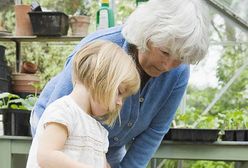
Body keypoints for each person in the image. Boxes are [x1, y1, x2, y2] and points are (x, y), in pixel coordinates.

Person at [30, 0, 210, 167]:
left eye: (180, 59)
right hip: (58, 133)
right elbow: (51, 144)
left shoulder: (178, 74)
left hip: (104, 143)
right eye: (164, 52)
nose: (168, 66)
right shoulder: (99, 50)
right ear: (147, 34)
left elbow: (154, 131)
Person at [26, 40, 140, 168]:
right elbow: (47, 157)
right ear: (100, 79)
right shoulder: (63, 111)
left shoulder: (99, 131)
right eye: (119, 92)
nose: (120, 102)